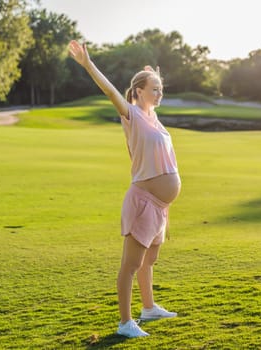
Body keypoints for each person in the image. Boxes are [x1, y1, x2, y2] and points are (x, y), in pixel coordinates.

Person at [68, 40, 181, 338]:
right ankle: (125, 323)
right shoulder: (131, 114)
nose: (159, 93)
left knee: (149, 259)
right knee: (130, 264)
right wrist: (88, 64)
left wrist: (152, 74)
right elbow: (109, 91)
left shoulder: (153, 118)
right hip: (143, 201)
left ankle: (148, 308)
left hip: (159, 205)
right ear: (138, 92)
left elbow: (150, 92)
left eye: (161, 88)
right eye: (154, 89)